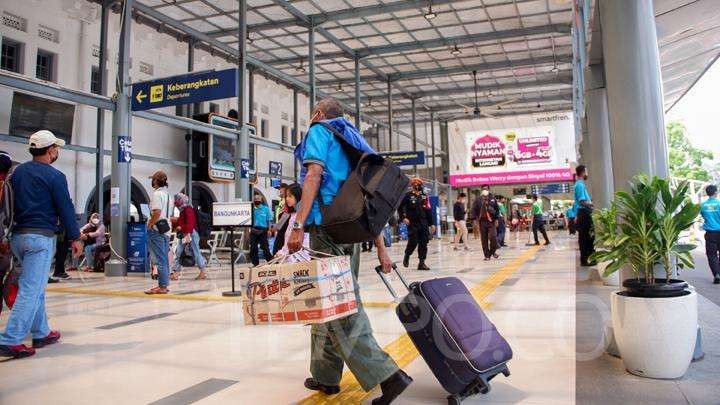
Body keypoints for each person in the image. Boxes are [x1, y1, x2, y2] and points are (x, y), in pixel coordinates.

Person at [287, 97, 412, 404]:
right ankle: (326, 375)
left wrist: (298, 223)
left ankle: (387, 375)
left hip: (326, 228)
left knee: (340, 306)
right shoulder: (354, 139)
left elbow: (313, 176)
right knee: (324, 302)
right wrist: (381, 249)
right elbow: (369, 200)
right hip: (351, 229)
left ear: (318, 114)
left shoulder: (319, 131)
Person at [0, 131, 83, 360]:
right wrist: (75, 237)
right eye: (56, 148)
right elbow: (65, 208)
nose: (57, 151)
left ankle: (41, 332)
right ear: (50, 150)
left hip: (17, 238)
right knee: (31, 288)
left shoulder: (17, 173)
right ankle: (11, 339)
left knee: (34, 286)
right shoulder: (55, 176)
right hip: (40, 238)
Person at [145, 171, 173, 295]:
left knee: (160, 259)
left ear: (155, 181)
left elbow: (156, 212)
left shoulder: (157, 194)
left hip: (157, 230)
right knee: (164, 258)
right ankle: (164, 285)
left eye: (153, 180)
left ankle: (162, 286)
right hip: (166, 229)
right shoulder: (169, 195)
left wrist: (150, 224)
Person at [399, 177, 435, 271]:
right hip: (412, 223)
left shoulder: (424, 196)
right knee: (413, 241)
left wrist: (432, 224)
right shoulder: (407, 195)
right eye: (415, 183)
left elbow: (428, 210)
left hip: (424, 223)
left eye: (419, 183)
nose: (417, 185)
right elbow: (400, 208)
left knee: (424, 242)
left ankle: (421, 263)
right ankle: (407, 255)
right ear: (412, 185)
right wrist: (403, 218)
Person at [170, 193, 207, 280]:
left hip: (190, 234)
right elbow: (183, 222)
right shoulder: (183, 209)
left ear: (181, 200)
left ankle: (203, 271)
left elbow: (190, 223)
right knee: (178, 252)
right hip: (185, 233)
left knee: (196, 252)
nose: (175, 202)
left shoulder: (188, 209)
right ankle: (176, 272)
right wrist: (178, 223)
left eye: (177, 200)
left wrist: (187, 233)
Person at [273, 183, 308, 257]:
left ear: (298, 196)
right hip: (288, 255)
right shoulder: (292, 214)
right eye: (286, 196)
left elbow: (304, 238)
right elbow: (288, 236)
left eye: (290, 196)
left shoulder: (302, 215)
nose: (287, 199)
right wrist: (282, 252)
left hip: (298, 257)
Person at [472, 185, 500, 260]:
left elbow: (497, 210)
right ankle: (487, 255)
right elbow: (474, 210)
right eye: (483, 189)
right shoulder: (478, 200)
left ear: (489, 190)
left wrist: (497, 219)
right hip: (482, 222)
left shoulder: (493, 199)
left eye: (486, 189)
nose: (485, 190)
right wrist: (474, 220)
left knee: (493, 237)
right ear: (481, 190)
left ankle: (492, 251)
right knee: (484, 239)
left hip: (491, 221)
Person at [574, 166, 594, 265]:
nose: (587, 173)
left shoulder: (580, 184)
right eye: (586, 171)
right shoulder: (580, 185)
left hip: (583, 213)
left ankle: (586, 259)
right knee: (586, 237)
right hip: (584, 214)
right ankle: (586, 260)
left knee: (586, 237)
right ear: (582, 172)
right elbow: (582, 201)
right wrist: (593, 204)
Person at [700, 184, 720, 284]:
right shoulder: (719, 204)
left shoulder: (703, 206)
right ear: (716, 192)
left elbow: (703, 216)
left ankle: (717, 274)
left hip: (710, 233)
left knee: (712, 255)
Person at [249, 193, 273, 266]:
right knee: (253, 248)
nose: (257, 200)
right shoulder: (252, 209)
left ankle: (270, 262)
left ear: (261, 199)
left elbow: (269, 220)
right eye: (255, 199)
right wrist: (249, 230)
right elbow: (249, 220)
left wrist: (269, 230)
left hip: (263, 230)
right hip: (254, 230)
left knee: (265, 248)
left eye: (258, 198)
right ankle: (255, 264)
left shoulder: (265, 209)